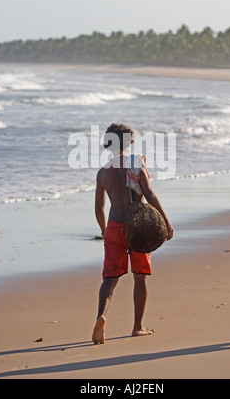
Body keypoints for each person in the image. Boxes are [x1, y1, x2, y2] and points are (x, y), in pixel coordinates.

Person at [92, 123, 173, 344]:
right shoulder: (136, 165)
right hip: (137, 227)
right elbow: (150, 194)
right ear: (129, 142)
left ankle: (101, 317)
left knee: (109, 279)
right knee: (140, 277)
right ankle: (137, 327)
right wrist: (166, 221)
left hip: (114, 227)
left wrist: (105, 231)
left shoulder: (102, 173)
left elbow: (98, 208)